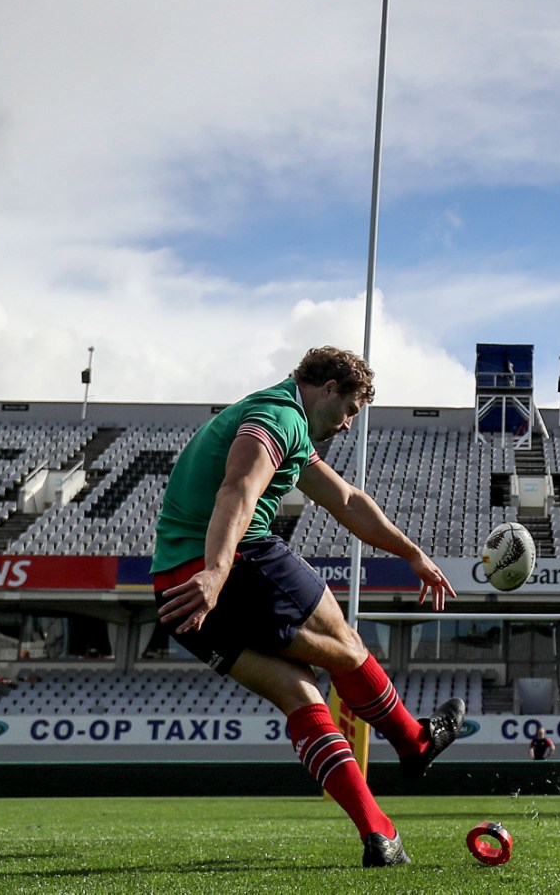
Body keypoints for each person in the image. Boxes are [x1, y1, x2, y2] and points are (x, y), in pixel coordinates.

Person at [153, 346, 464, 869]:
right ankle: (413, 742)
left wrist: (411, 552)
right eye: (349, 412)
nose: (347, 426)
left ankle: (380, 835)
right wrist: (218, 571)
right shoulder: (280, 417)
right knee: (347, 647)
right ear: (327, 390)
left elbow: (346, 500)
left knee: (301, 696)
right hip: (233, 564)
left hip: (172, 592)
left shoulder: (280, 420)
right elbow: (238, 490)